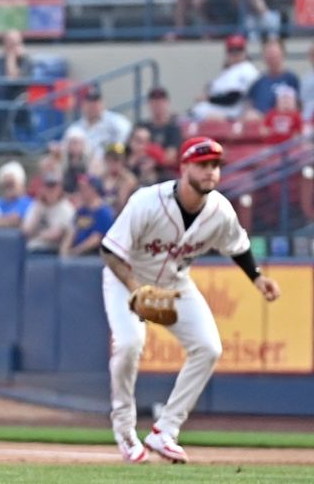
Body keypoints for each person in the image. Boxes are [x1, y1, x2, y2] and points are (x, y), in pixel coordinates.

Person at [100, 136, 280, 463]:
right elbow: (110, 251)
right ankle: (125, 429)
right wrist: (135, 288)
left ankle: (166, 430)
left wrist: (257, 277)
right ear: (184, 167)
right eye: (203, 164)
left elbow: (237, 245)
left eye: (215, 165)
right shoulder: (147, 201)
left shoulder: (220, 210)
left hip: (174, 283)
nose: (211, 171)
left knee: (209, 347)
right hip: (125, 279)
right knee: (129, 344)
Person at [191, 34, 260, 119]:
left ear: (244, 51)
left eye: (238, 50)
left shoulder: (246, 69)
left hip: (230, 114)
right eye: (232, 50)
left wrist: (208, 98)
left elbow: (232, 98)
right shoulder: (230, 69)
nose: (235, 54)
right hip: (217, 110)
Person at [243, 39, 301, 121]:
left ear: (283, 54)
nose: (272, 57)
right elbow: (248, 105)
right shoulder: (258, 81)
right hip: (258, 126)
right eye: (268, 54)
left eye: (274, 54)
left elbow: (297, 107)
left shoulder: (291, 79)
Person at [21, 168, 75, 254]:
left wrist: (36, 234)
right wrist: (38, 210)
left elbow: (56, 235)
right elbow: (26, 231)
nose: (50, 190)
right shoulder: (36, 205)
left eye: (53, 186)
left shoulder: (67, 208)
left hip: (51, 251)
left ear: (60, 188)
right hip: (31, 249)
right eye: (47, 186)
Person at [61, 174, 115, 257]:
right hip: (78, 256)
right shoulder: (81, 211)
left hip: (94, 257)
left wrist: (74, 252)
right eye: (80, 188)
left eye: (84, 188)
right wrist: (64, 252)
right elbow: (72, 232)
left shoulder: (104, 212)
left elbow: (95, 239)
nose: (80, 191)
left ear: (94, 189)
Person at [139, 86, 182, 165]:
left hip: (164, 173)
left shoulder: (173, 128)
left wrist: (151, 152)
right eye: (154, 102)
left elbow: (170, 157)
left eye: (160, 102)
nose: (157, 105)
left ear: (167, 103)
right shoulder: (141, 126)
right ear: (149, 104)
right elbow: (132, 153)